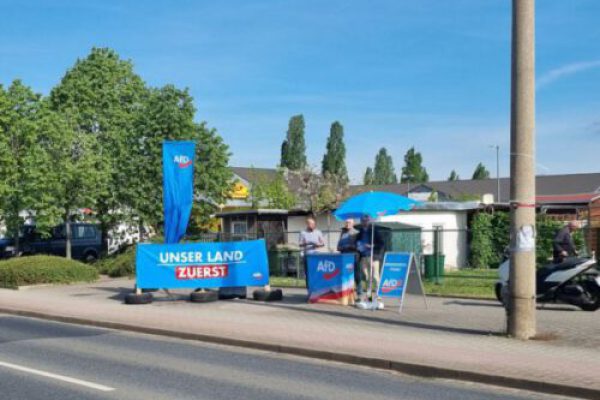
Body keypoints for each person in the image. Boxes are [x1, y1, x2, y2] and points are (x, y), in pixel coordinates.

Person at [355, 215, 385, 310]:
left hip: (373, 257)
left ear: (369, 220)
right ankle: (369, 296)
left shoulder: (374, 231)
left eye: (366, 220)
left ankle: (378, 296)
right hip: (364, 257)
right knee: (367, 277)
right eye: (363, 220)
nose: (364, 221)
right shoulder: (360, 232)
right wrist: (359, 246)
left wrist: (372, 246)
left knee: (375, 276)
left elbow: (381, 243)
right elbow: (357, 242)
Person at [299, 216, 325, 288]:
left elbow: (322, 243)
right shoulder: (303, 233)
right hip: (307, 255)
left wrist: (317, 244)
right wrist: (307, 243)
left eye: (314, 224)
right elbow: (300, 244)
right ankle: (309, 288)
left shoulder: (318, 232)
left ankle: (317, 287)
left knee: (316, 272)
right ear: (307, 224)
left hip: (316, 255)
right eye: (311, 224)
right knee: (308, 272)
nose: (313, 225)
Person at [337, 219, 359, 295]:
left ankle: (359, 293)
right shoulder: (342, 233)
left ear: (353, 223)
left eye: (349, 222)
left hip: (353, 257)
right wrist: (343, 247)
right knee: (345, 276)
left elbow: (358, 246)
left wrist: (350, 246)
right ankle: (347, 293)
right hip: (343, 257)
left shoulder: (356, 233)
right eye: (346, 222)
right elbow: (338, 247)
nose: (347, 224)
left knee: (355, 275)